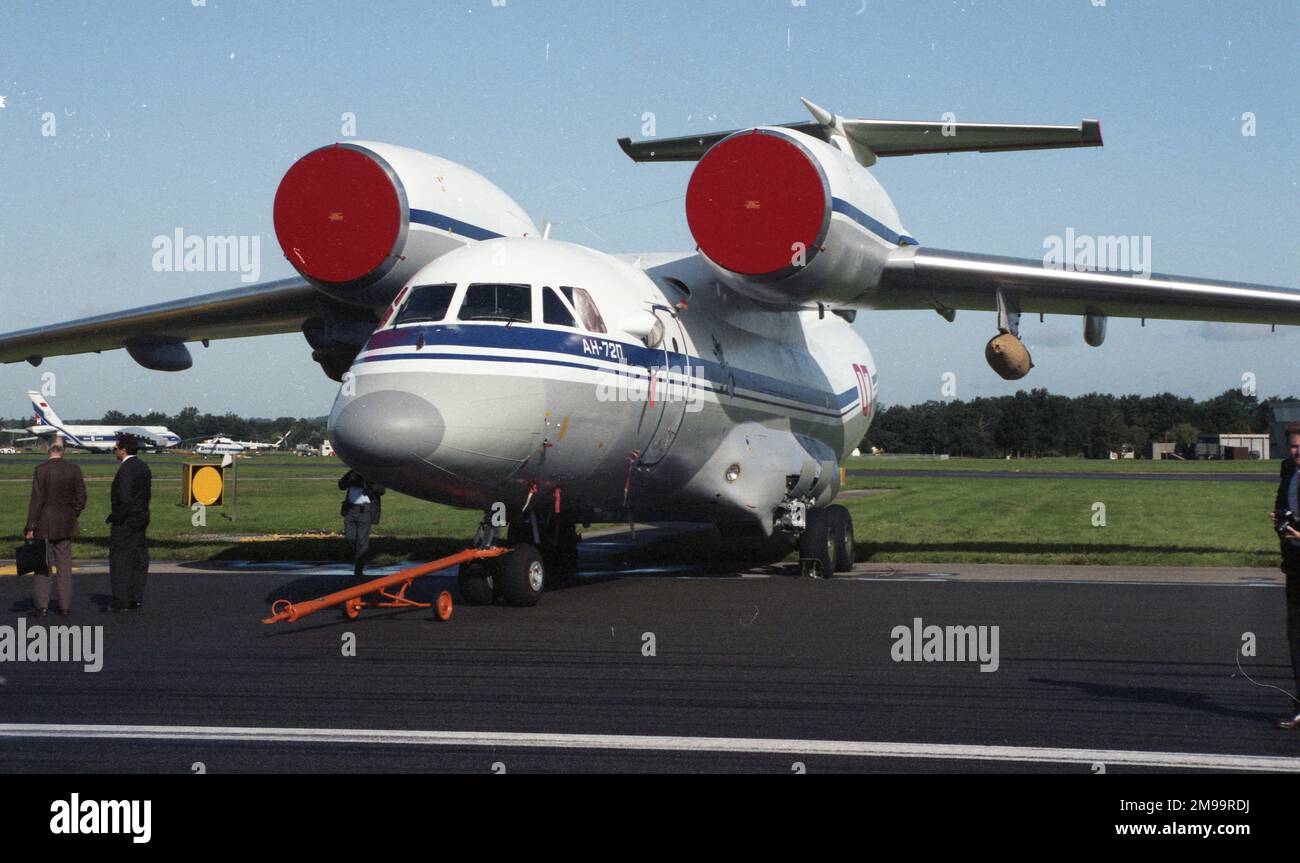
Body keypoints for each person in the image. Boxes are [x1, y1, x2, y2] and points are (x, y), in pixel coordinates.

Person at [23, 437, 87, 617]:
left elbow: (36, 501)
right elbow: (81, 497)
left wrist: (30, 526)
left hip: (44, 524)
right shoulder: (74, 469)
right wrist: (73, 513)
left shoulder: (41, 470)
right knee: (65, 567)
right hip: (66, 523)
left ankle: (42, 606)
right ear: (64, 450)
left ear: (47, 449)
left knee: (43, 566)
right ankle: (65, 606)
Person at [1272, 422, 1300, 729]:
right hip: (1295, 564)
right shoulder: (1287, 470)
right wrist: (1280, 520)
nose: (1299, 451)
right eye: (1294, 446)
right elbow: (1283, 503)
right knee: (1296, 637)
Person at [107, 433, 152, 611]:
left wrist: (117, 517)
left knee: (120, 560)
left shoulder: (126, 469)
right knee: (139, 559)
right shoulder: (143, 467)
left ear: (123, 450)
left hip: (126, 520)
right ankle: (136, 597)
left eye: (116, 448)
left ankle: (121, 600)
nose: (115, 451)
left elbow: (124, 497)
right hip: (141, 518)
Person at [339, 469, 383, 579]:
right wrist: (349, 480)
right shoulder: (352, 473)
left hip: (365, 510)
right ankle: (360, 555)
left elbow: (382, 490)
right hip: (350, 510)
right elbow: (341, 486)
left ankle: (358, 569)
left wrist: (369, 485)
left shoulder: (372, 475)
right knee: (350, 537)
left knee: (362, 541)